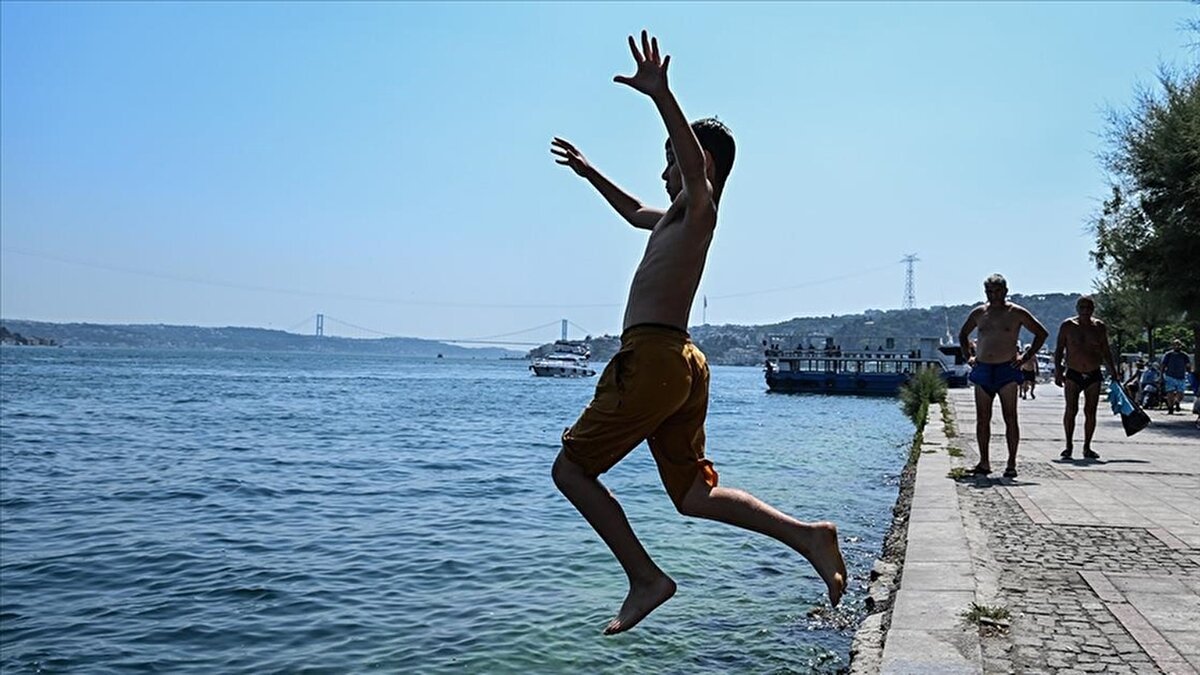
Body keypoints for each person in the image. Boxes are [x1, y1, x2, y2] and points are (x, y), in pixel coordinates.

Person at [548, 31, 846, 636]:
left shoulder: (701, 203)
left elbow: (692, 166)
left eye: (668, 158)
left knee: (570, 472)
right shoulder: (677, 219)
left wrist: (662, 94)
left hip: (655, 358)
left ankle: (644, 578)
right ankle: (809, 537)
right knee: (691, 494)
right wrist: (589, 173)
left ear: (696, 164)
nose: (663, 171)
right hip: (681, 363)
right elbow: (634, 211)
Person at [958, 274, 1049, 478]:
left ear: (1005, 291)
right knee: (982, 418)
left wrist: (1026, 356)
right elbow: (963, 334)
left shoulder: (1016, 312)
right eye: (989, 291)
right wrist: (969, 357)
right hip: (983, 369)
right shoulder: (980, 312)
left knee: (1010, 417)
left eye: (997, 291)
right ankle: (984, 462)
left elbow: (1041, 333)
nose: (993, 295)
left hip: (1006, 370)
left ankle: (1011, 463)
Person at [1053, 296, 1120, 460]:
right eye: (1082, 308)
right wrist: (1058, 371)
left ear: (1093, 309)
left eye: (1088, 308)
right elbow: (1060, 348)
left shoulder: (1098, 327)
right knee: (1071, 409)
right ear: (1077, 308)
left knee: (1091, 411)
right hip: (1073, 372)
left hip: (1093, 372)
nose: (1085, 311)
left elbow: (1105, 350)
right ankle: (1068, 445)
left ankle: (1087, 446)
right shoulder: (1068, 326)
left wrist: (1113, 371)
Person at [1161, 339, 1193, 414]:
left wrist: (1190, 373)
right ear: (1172, 346)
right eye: (1175, 345)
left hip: (1181, 376)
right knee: (1170, 393)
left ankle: (1177, 402)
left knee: (1181, 393)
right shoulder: (1168, 355)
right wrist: (1161, 375)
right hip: (1170, 376)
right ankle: (1170, 408)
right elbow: (1163, 365)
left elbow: (1188, 365)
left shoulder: (1184, 355)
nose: (1177, 346)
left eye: (1178, 345)